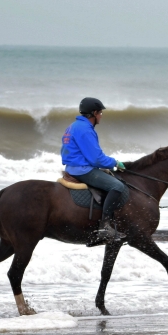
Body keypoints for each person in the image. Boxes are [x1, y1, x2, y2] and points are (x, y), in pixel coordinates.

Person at [61, 97, 128, 243]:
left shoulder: (73, 126)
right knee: (117, 185)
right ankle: (105, 227)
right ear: (94, 113)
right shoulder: (85, 130)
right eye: (100, 113)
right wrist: (115, 162)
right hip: (82, 170)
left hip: (73, 167)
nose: (101, 116)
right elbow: (96, 159)